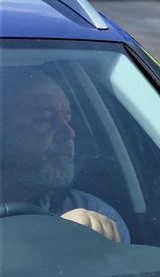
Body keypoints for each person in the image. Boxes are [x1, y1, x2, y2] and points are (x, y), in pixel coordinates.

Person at [0, 69, 130, 243]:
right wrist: (56, 235)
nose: (69, 132)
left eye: (67, 119)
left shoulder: (94, 216)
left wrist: (86, 239)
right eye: (43, 119)